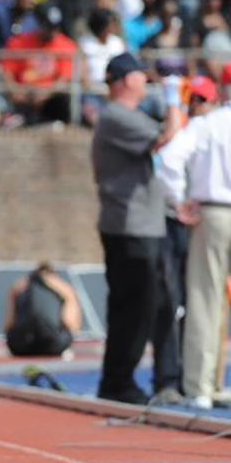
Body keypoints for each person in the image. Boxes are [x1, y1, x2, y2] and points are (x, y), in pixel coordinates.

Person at [92, 53, 183, 404]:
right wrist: (174, 98)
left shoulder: (128, 116)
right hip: (129, 227)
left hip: (146, 224)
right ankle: (117, 381)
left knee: (156, 304)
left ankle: (151, 379)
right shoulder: (116, 115)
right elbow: (167, 135)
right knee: (134, 307)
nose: (145, 80)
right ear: (124, 79)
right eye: (139, 75)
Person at [159, 77, 231, 404]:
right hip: (214, 210)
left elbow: (170, 158)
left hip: (214, 214)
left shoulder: (209, 124)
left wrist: (178, 200)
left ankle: (201, 389)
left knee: (205, 299)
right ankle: (212, 384)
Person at [6, 264, 81, 359]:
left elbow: (9, 323)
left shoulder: (19, 287)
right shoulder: (62, 288)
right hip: (52, 345)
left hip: (20, 346)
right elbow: (68, 321)